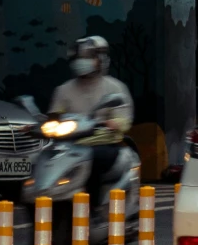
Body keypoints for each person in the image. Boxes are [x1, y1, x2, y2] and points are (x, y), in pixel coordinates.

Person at [51, 34, 135, 195]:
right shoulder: (63, 90)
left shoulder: (115, 88)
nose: (82, 61)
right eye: (79, 57)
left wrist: (112, 123)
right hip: (69, 145)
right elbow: (54, 116)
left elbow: (124, 119)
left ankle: (93, 203)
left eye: (88, 57)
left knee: (94, 159)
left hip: (103, 144)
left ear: (101, 59)